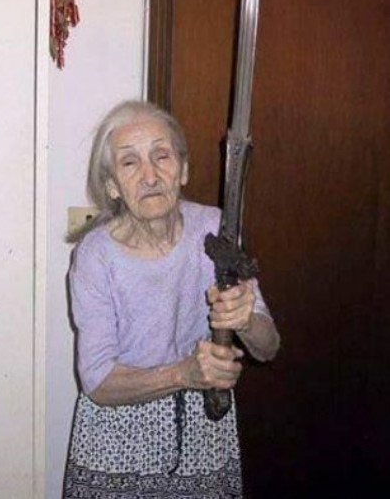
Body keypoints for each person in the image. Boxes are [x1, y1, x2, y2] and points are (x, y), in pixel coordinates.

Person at [63, 100, 280, 499]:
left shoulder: (216, 228)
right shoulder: (95, 256)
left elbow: (268, 348)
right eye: (129, 162)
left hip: (205, 425)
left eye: (161, 156)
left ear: (183, 170)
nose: (150, 175)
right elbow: (97, 382)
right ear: (112, 186)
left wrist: (246, 319)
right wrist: (183, 374)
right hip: (119, 435)